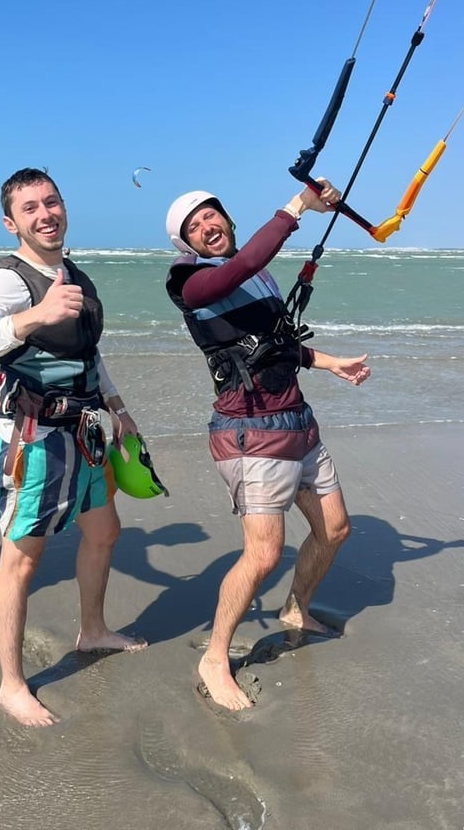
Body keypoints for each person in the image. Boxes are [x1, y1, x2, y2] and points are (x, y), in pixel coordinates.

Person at [164, 180, 370, 711]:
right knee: (262, 553)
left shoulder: (256, 276)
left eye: (212, 216)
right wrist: (297, 205)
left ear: (227, 219)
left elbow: (275, 346)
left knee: (335, 528)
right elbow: (243, 263)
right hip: (249, 432)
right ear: (186, 244)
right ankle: (215, 657)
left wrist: (330, 363)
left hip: (298, 421)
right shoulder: (189, 282)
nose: (207, 227)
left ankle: (296, 609)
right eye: (194, 227)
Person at [0, 167, 147, 727]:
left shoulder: (73, 274)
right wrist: (35, 315)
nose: (45, 214)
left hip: (85, 432)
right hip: (32, 438)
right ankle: (11, 684)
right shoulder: (7, 280)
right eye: (30, 207)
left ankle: (93, 631)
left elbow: (87, 353)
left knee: (104, 531)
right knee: (20, 561)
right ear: (10, 223)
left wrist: (119, 409)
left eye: (52, 202)